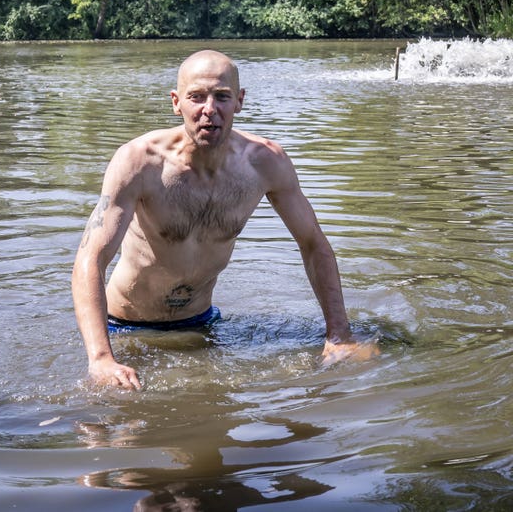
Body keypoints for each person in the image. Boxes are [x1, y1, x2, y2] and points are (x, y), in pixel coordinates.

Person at [72, 50, 376, 390]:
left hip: (201, 324)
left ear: (240, 101)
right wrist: (101, 359)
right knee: (122, 429)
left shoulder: (264, 163)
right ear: (176, 102)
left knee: (217, 418)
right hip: (127, 328)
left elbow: (313, 244)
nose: (209, 110)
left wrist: (339, 334)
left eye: (222, 97)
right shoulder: (139, 163)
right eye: (196, 97)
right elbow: (91, 257)